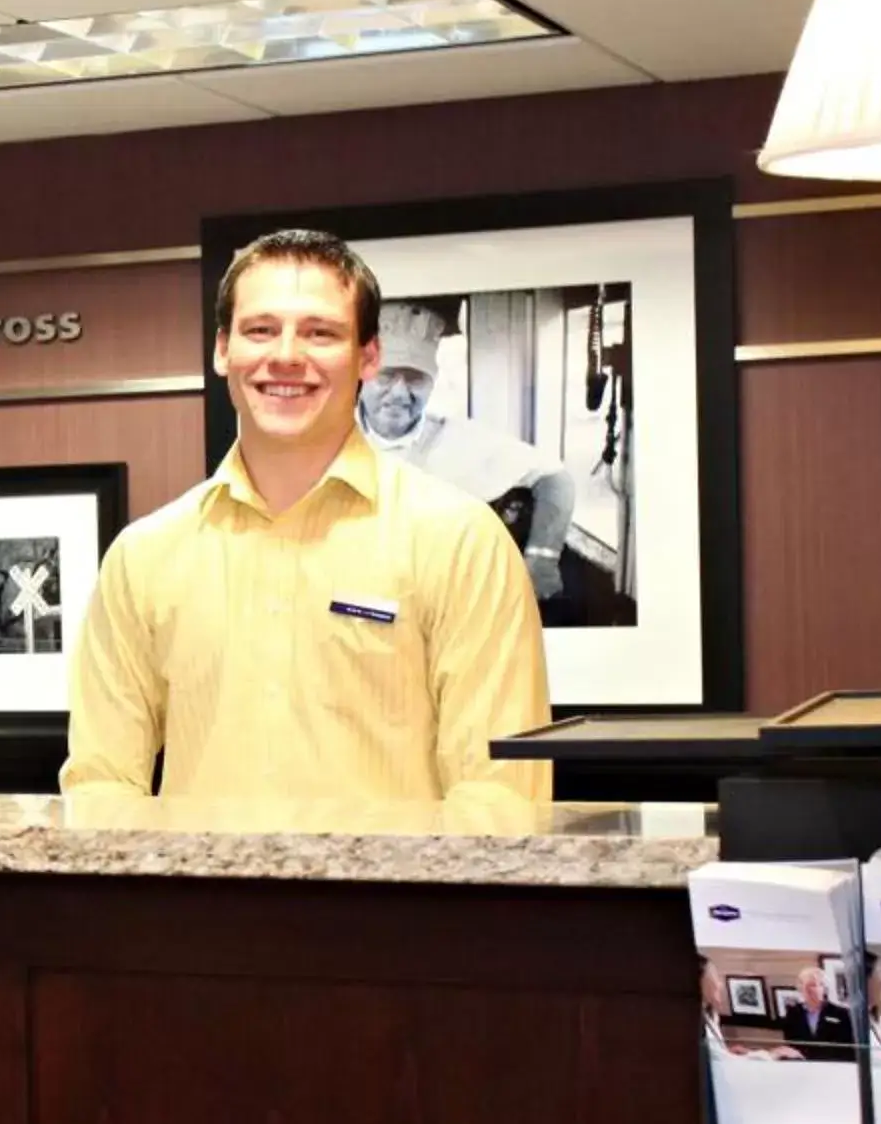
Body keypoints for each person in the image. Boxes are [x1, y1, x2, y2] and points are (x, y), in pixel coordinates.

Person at [60, 228, 550, 802]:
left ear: (368, 355)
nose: (287, 356)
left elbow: (501, 797)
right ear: (223, 350)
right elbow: (102, 784)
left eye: (320, 333)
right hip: (203, 894)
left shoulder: (461, 543)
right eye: (261, 330)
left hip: (390, 894)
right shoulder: (144, 557)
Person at [356, 300, 577, 604]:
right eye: (386, 375)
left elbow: (556, 478)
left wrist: (543, 558)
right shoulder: (321, 440)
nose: (399, 393)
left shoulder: (456, 438)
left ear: (432, 384)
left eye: (415, 379)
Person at [782, 965, 857, 1052]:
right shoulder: (793, 1013)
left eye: (813, 985)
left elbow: (850, 1047)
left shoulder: (842, 1014)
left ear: (824, 988)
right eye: (804, 985)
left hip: (834, 1063)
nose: (808, 989)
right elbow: (791, 1044)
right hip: (803, 1063)